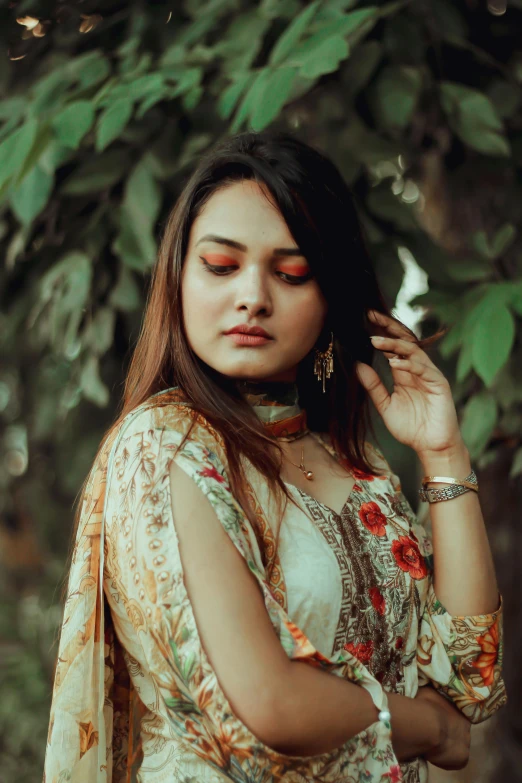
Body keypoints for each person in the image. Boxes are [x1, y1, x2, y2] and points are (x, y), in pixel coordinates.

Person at [43, 130, 506, 783]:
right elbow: (268, 703)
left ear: (329, 298)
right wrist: (429, 728)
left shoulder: (356, 466)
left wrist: (442, 451)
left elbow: (468, 678)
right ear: (178, 277)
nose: (253, 296)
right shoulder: (163, 447)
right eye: (221, 266)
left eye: (291, 273)